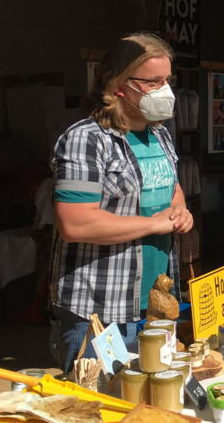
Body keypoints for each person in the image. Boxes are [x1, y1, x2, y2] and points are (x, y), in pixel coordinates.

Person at [50, 33, 193, 374]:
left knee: (153, 404)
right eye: (153, 81)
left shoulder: (159, 133)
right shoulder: (86, 139)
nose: (164, 90)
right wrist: (155, 224)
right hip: (102, 311)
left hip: (157, 304)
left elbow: (171, 187)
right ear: (118, 85)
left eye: (167, 80)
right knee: (102, 411)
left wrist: (180, 210)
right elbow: (75, 223)